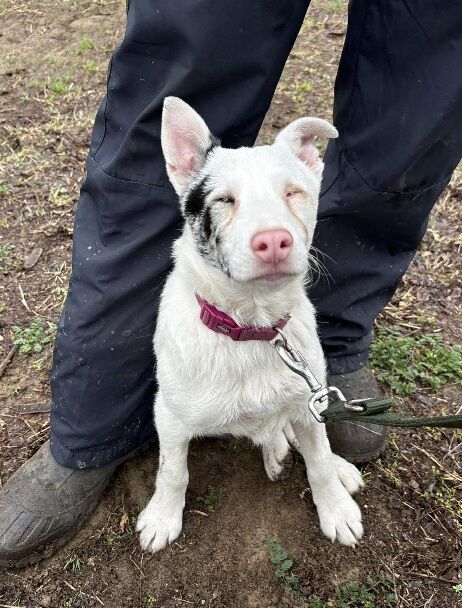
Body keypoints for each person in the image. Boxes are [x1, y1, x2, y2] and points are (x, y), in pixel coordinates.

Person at [1, 0, 460, 567]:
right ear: (185, 178)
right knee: (200, 33)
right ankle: (92, 434)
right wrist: (169, 492)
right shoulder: (185, 198)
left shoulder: (299, 305)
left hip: (286, 327)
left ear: (313, 171)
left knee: (307, 404)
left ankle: (326, 421)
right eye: (225, 201)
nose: (271, 234)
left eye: (292, 195)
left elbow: (306, 407)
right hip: (204, 339)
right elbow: (174, 418)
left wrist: (323, 475)